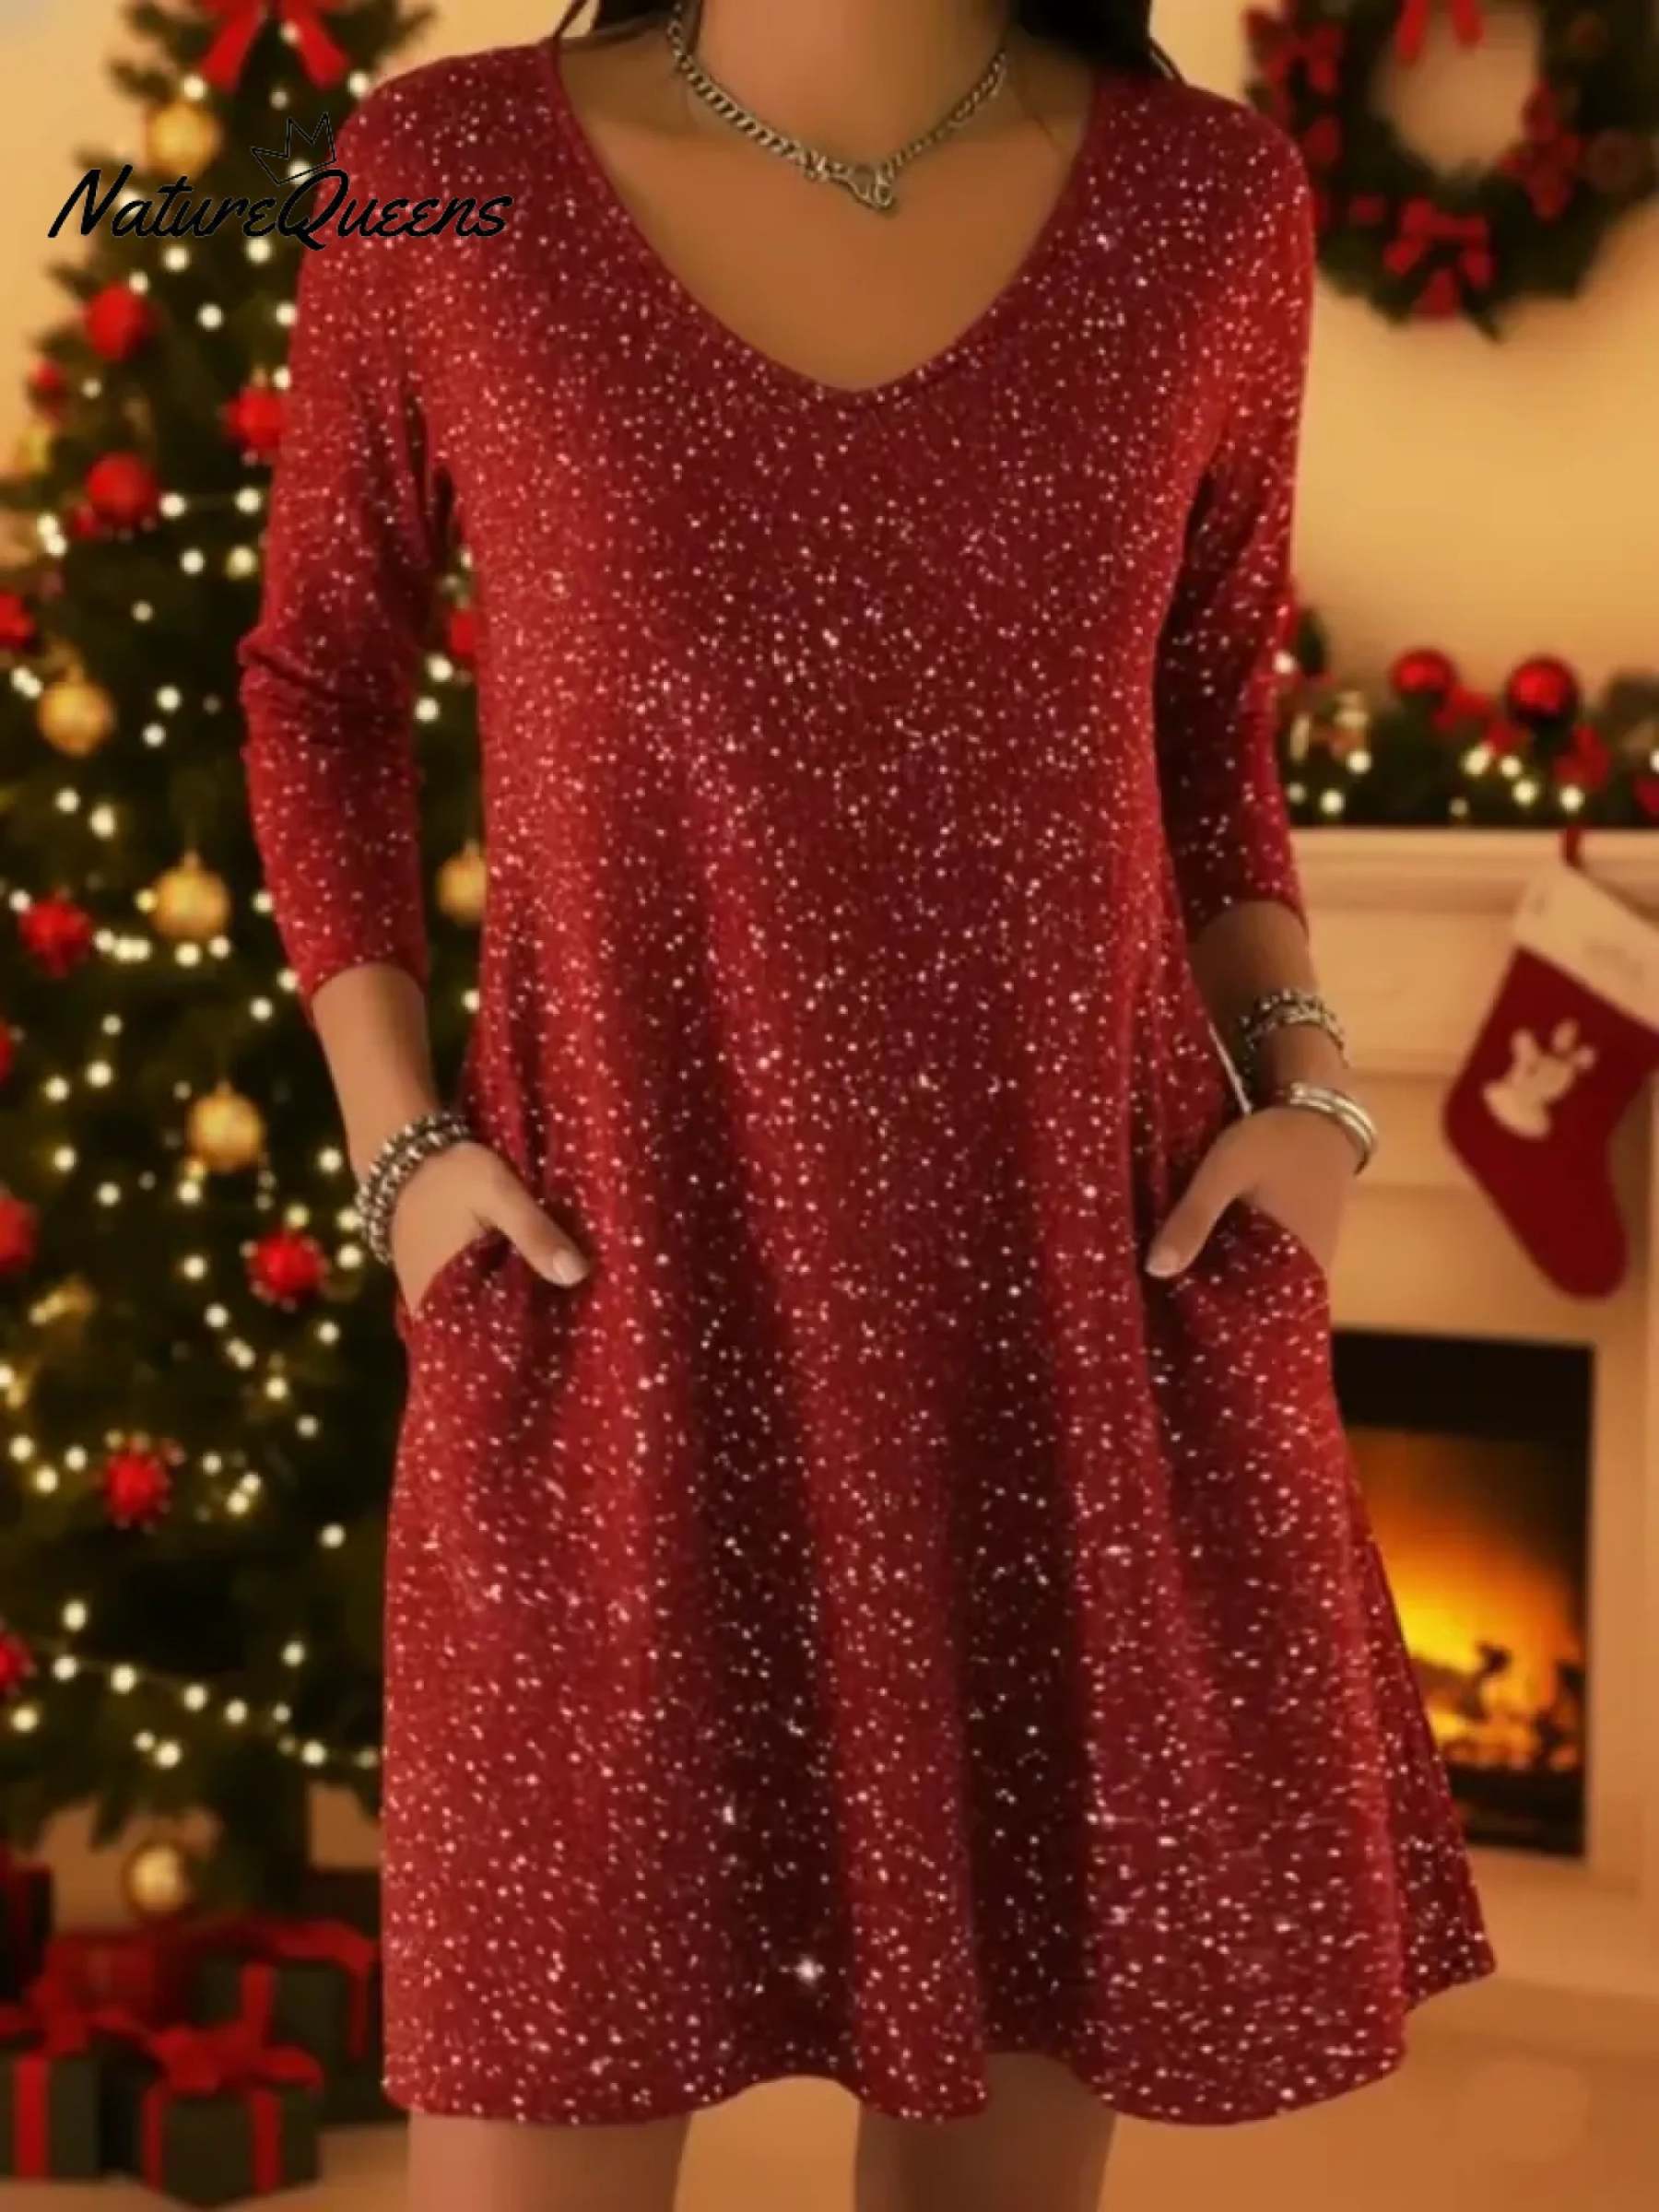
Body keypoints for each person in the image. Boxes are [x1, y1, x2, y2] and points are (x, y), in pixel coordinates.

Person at [236, 2, 1499, 2206]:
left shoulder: (1207, 209)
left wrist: (1313, 1097)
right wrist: (399, 1147)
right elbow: (317, 679)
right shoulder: (441, 175)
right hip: (611, 1335)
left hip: (1063, 1344)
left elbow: (1207, 714)